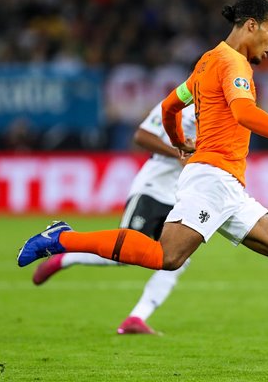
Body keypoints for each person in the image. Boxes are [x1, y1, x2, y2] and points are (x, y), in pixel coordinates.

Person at [17, 0, 268, 372]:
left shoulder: (206, 62)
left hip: (226, 184)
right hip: (211, 180)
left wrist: (178, 140)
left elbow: (169, 107)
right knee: (167, 257)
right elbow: (244, 112)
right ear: (251, 25)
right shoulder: (233, 64)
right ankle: (61, 239)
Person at [31, 101, 197, 335]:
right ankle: (67, 255)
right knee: (125, 253)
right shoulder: (176, 106)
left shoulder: (219, 113)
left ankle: (136, 318)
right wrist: (179, 152)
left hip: (181, 195)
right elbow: (141, 137)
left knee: (178, 259)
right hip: (152, 189)